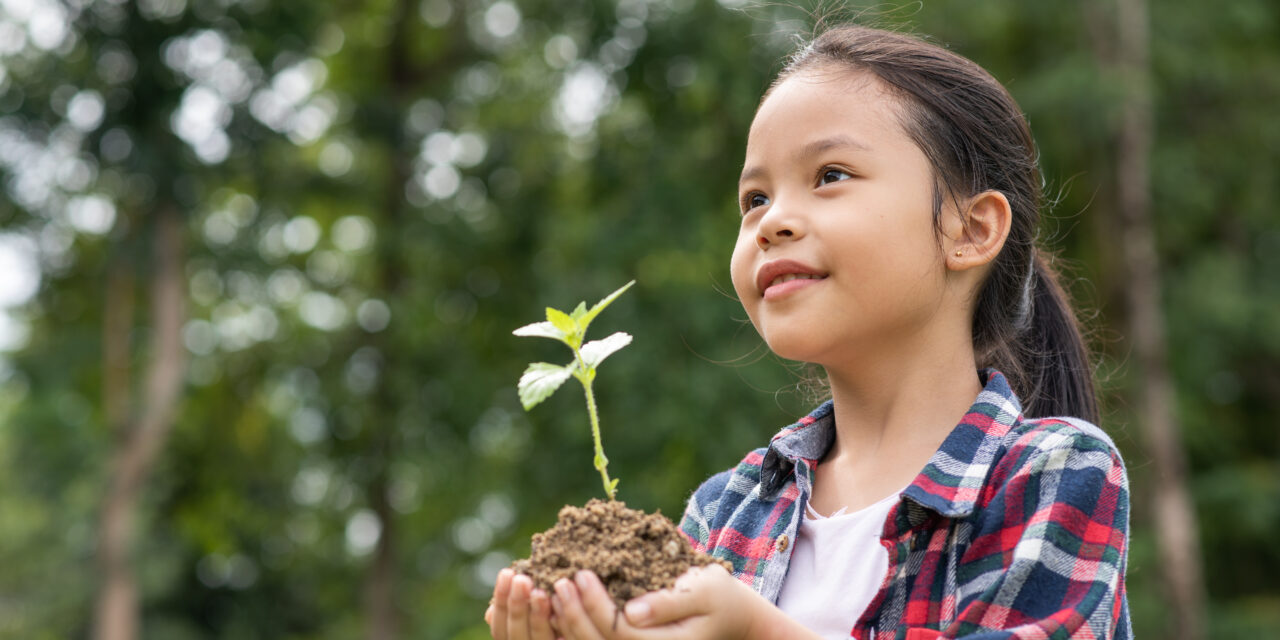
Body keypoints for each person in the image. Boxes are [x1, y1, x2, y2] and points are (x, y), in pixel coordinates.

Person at [485, 23, 1130, 640]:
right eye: (754, 198)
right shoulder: (725, 512)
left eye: (830, 176)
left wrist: (753, 632)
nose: (771, 222)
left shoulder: (1052, 472)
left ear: (970, 229)